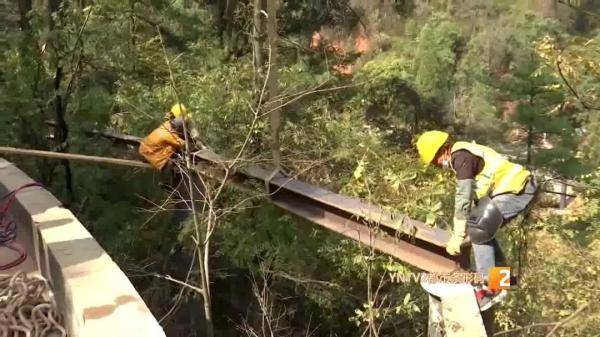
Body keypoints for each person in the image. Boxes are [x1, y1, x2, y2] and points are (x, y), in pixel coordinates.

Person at [415, 130, 536, 311]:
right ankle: (502, 280)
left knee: (479, 228)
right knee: (484, 230)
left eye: (436, 161)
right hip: (514, 190)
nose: (438, 165)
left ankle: (489, 289)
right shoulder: (464, 156)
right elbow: (476, 195)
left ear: (444, 150)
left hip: (519, 190)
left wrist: (458, 234)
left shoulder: (461, 157)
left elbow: (463, 197)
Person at [139, 103, 202, 226]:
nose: (186, 122)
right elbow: (183, 144)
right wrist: (197, 146)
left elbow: (186, 130)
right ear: (176, 118)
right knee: (167, 164)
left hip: (151, 147)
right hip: (150, 153)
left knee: (176, 153)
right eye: (184, 120)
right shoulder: (167, 133)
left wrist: (194, 131)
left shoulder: (169, 125)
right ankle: (168, 186)